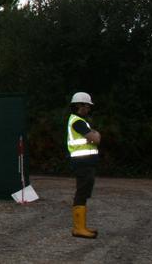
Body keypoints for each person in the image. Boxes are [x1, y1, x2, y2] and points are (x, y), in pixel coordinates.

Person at [67, 91, 101, 239]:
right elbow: (96, 138)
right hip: (83, 163)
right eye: (87, 106)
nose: (89, 109)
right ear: (80, 105)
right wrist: (96, 135)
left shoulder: (78, 121)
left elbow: (93, 138)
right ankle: (79, 228)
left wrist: (94, 136)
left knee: (83, 193)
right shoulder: (78, 122)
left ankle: (81, 226)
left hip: (85, 163)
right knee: (81, 193)